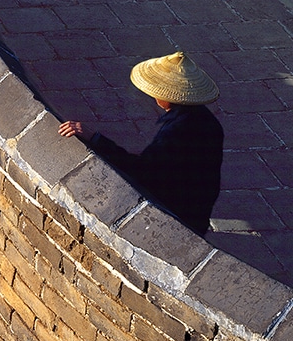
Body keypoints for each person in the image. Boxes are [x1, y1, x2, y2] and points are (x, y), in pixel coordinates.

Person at [58, 51, 224, 236]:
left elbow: (142, 170)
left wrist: (96, 140)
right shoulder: (208, 121)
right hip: (198, 208)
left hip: (179, 212)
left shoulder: (175, 132)